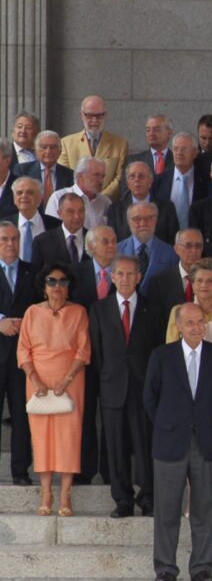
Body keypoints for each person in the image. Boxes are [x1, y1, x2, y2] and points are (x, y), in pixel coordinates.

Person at [145, 303, 212, 581]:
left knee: (204, 508)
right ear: (178, 326)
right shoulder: (162, 355)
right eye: (190, 322)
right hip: (170, 443)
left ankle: (202, 568)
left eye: (200, 321)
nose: (196, 327)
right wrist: (171, 424)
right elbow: (150, 398)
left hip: (204, 441)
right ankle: (166, 568)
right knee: (167, 509)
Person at [164, 257, 212, 517]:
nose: (205, 285)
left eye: (210, 281)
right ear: (191, 284)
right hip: (187, 389)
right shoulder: (179, 310)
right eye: (199, 280)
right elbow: (170, 351)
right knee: (190, 442)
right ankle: (193, 501)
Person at [89, 254, 164, 518]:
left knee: (145, 446)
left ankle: (148, 497)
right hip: (113, 389)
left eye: (130, 274)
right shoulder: (99, 309)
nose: (124, 279)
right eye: (119, 274)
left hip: (143, 389)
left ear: (139, 277)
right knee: (116, 447)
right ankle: (122, 500)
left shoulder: (153, 308)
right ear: (112, 277)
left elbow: (158, 352)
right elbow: (97, 353)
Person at [18, 262, 91, 516]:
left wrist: (65, 380)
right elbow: (23, 349)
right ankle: (46, 494)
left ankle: (66, 495)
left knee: (68, 437)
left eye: (63, 282)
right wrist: (36, 380)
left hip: (70, 381)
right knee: (42, 437)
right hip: (37, 381)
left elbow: (83, 351)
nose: (57, 287)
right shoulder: (31, 313)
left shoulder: (79, 312)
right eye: (52, 281)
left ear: (69, 287)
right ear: (43, 287)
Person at [0, 221, 37, 486]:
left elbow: (39, 310)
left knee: (22, 415)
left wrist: (23, 323)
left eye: (14, 239)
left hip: (22, 357)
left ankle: (20, 471)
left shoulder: (30, 272)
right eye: (4, 239)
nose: (10, 244)